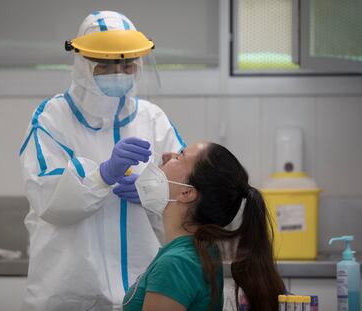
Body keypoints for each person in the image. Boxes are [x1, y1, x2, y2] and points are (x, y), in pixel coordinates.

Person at [19, 11, 185, 311]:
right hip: (68, 292)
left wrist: (156, 192)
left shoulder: (154, 119)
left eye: (127, 64)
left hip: (142, 290)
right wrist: (102, 175)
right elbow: (47, 195)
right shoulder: (52, 118)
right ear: (83, 64)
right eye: (106, 64)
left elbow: (186, 191)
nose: (119, 72)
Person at [122, 142, 286, 311]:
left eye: (179, 156)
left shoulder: (175, 264)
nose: (165, 155)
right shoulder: (201, 251)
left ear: (187, 193)